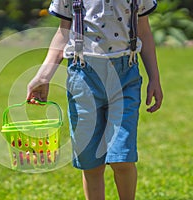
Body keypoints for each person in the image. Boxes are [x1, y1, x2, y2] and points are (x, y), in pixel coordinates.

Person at [27, 0, 163, 199]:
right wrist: (43, 75)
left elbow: (144, 31)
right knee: (91, 164)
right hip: (83, 79)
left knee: (122, 158)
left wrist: (155, 78)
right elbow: (63, 33)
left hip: (125, 78)